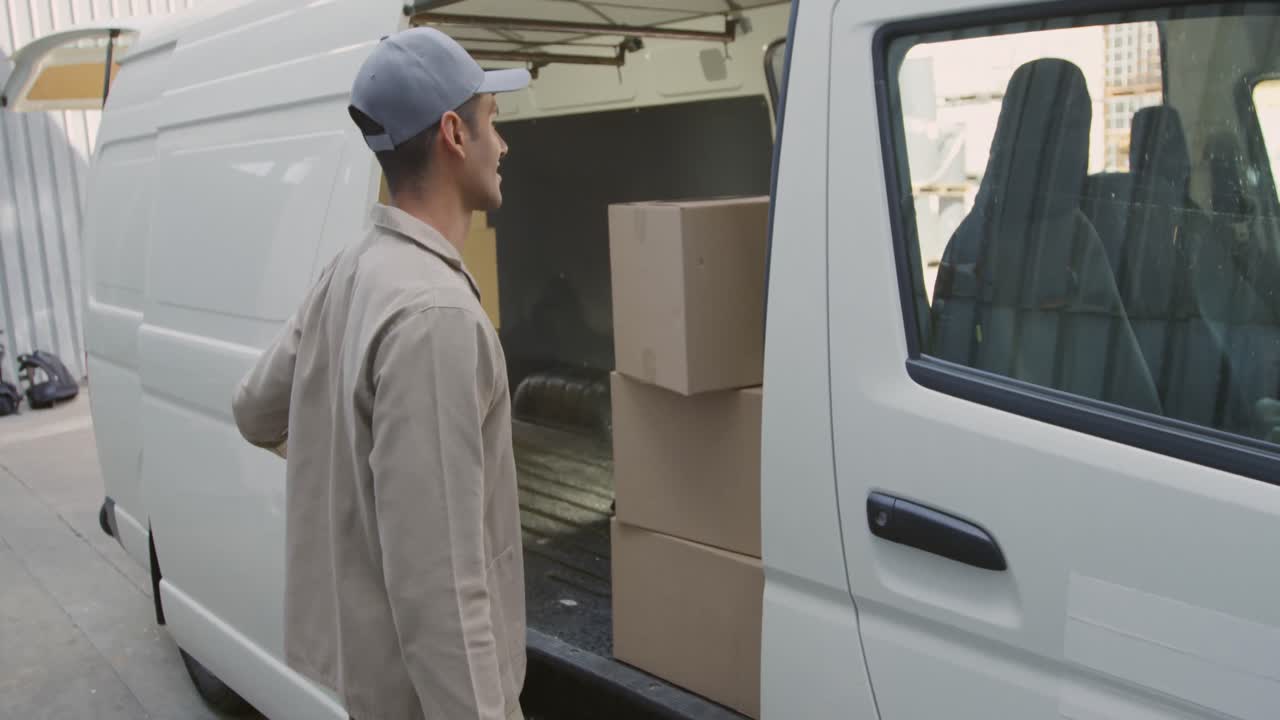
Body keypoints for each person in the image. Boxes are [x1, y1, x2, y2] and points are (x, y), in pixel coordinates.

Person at [231, 27, 531, 720]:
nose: (504, 145)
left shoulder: (353, 268)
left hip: (376, 684)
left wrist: (357, 474)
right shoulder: (434, 316)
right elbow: (442, 598)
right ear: (455, 133)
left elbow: (255, 412)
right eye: (494, 123)